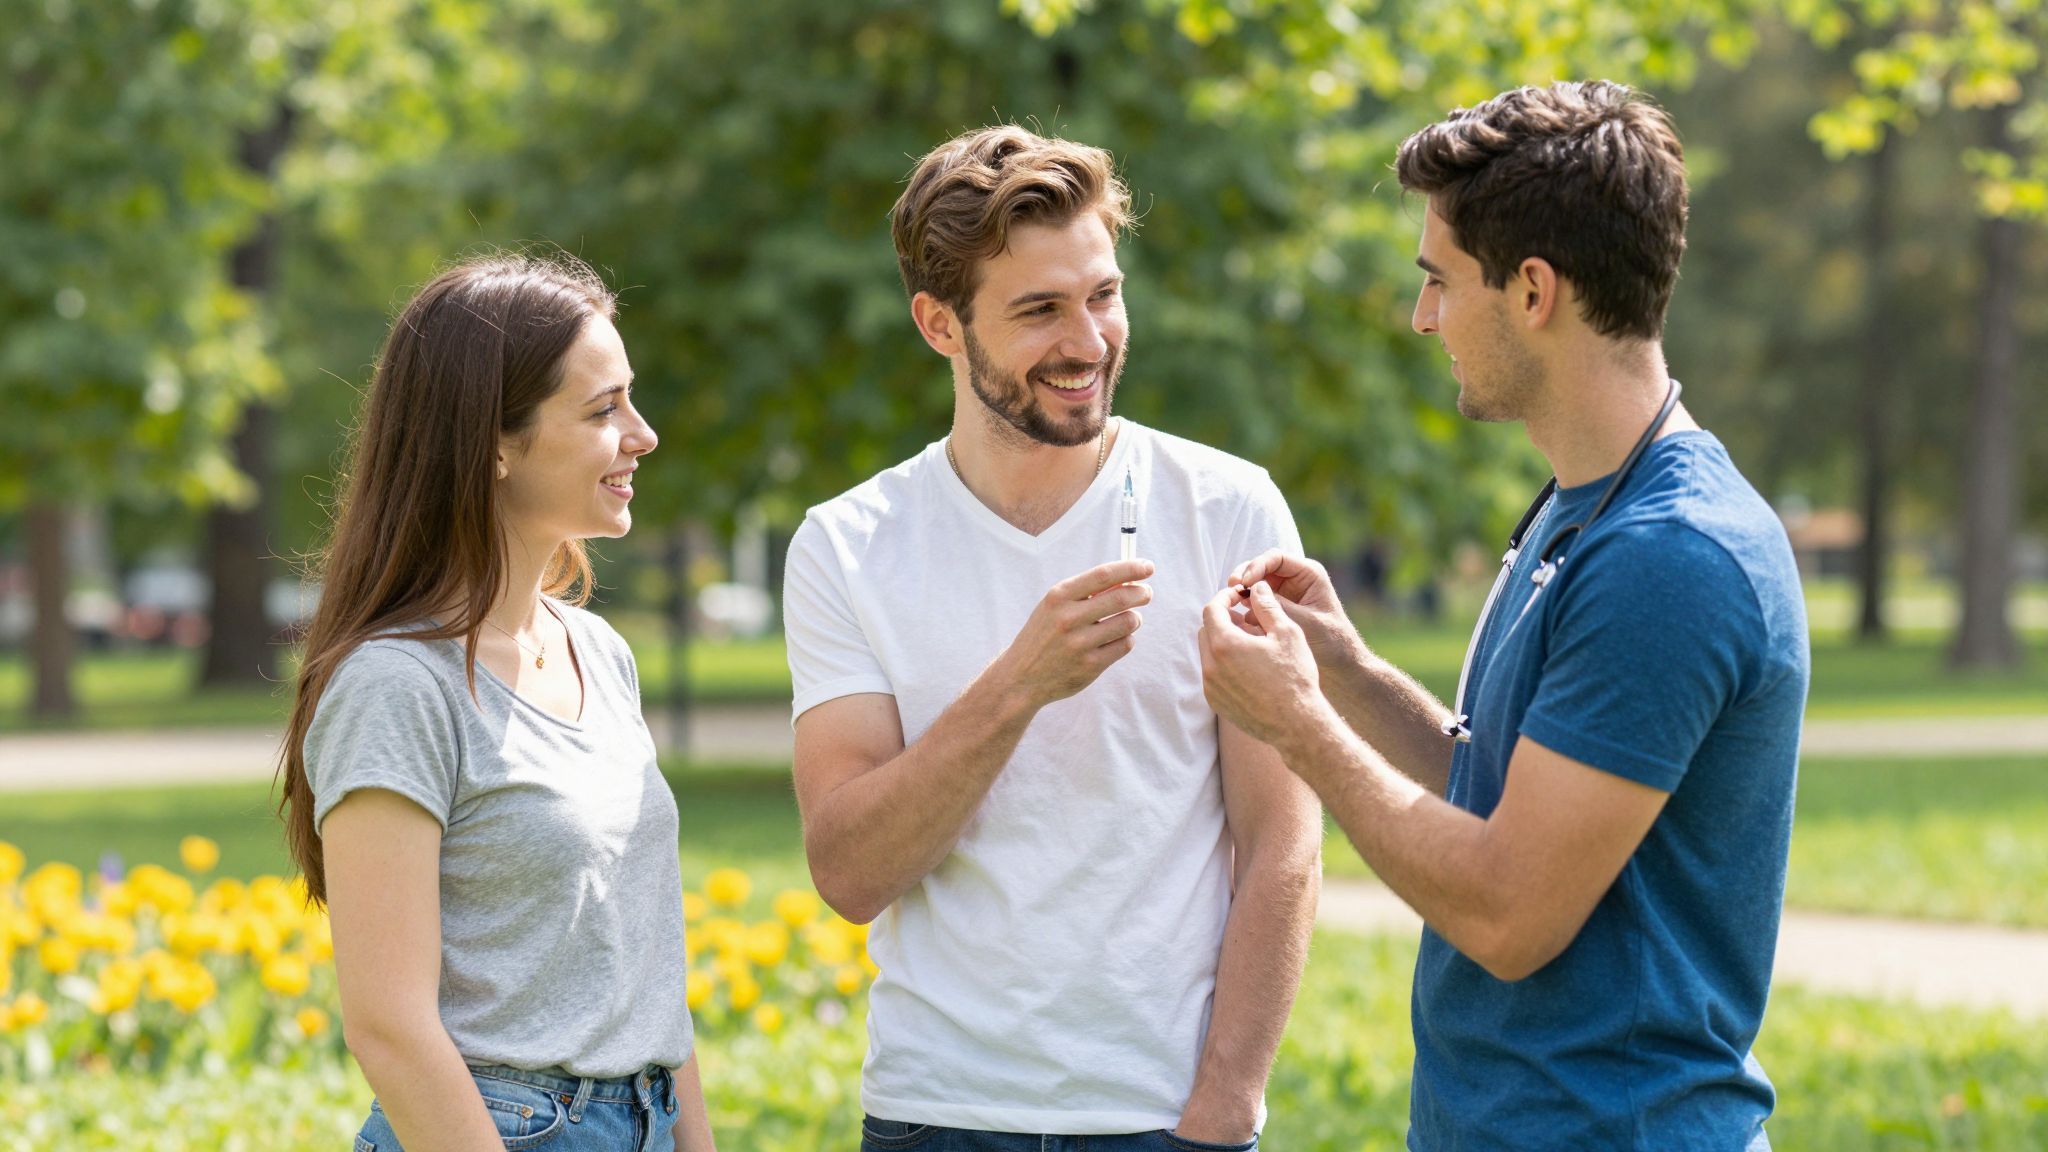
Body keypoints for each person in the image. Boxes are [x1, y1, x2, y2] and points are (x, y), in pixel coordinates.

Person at [1197, 82, 1810, 1150]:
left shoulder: (1668, 558)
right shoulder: (1583, 511)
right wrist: (1344, 671)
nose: (1421, 314)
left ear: (1531, 290)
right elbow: (1497, 796)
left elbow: (1507, 914)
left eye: (1437, 281)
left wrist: (1298, 727)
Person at [782, 126, 1323, 1151]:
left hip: (1166, 1120)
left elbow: (1281, 840)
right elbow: (850, 874)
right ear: (939, 325)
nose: (1087, 341)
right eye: (1037, 310)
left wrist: (1225, 1104)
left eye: (1103, 295)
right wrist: (1018, 686)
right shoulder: (845, 547)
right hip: (935, 1116)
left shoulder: (1228, 511)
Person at [276, 253, 717, 1152]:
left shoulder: (599, 652)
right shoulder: (397, 686)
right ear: (494, 444)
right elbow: (390, 1029)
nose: (643, 434)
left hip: (642, 1119)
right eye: (603, 411)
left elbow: (644, 972)